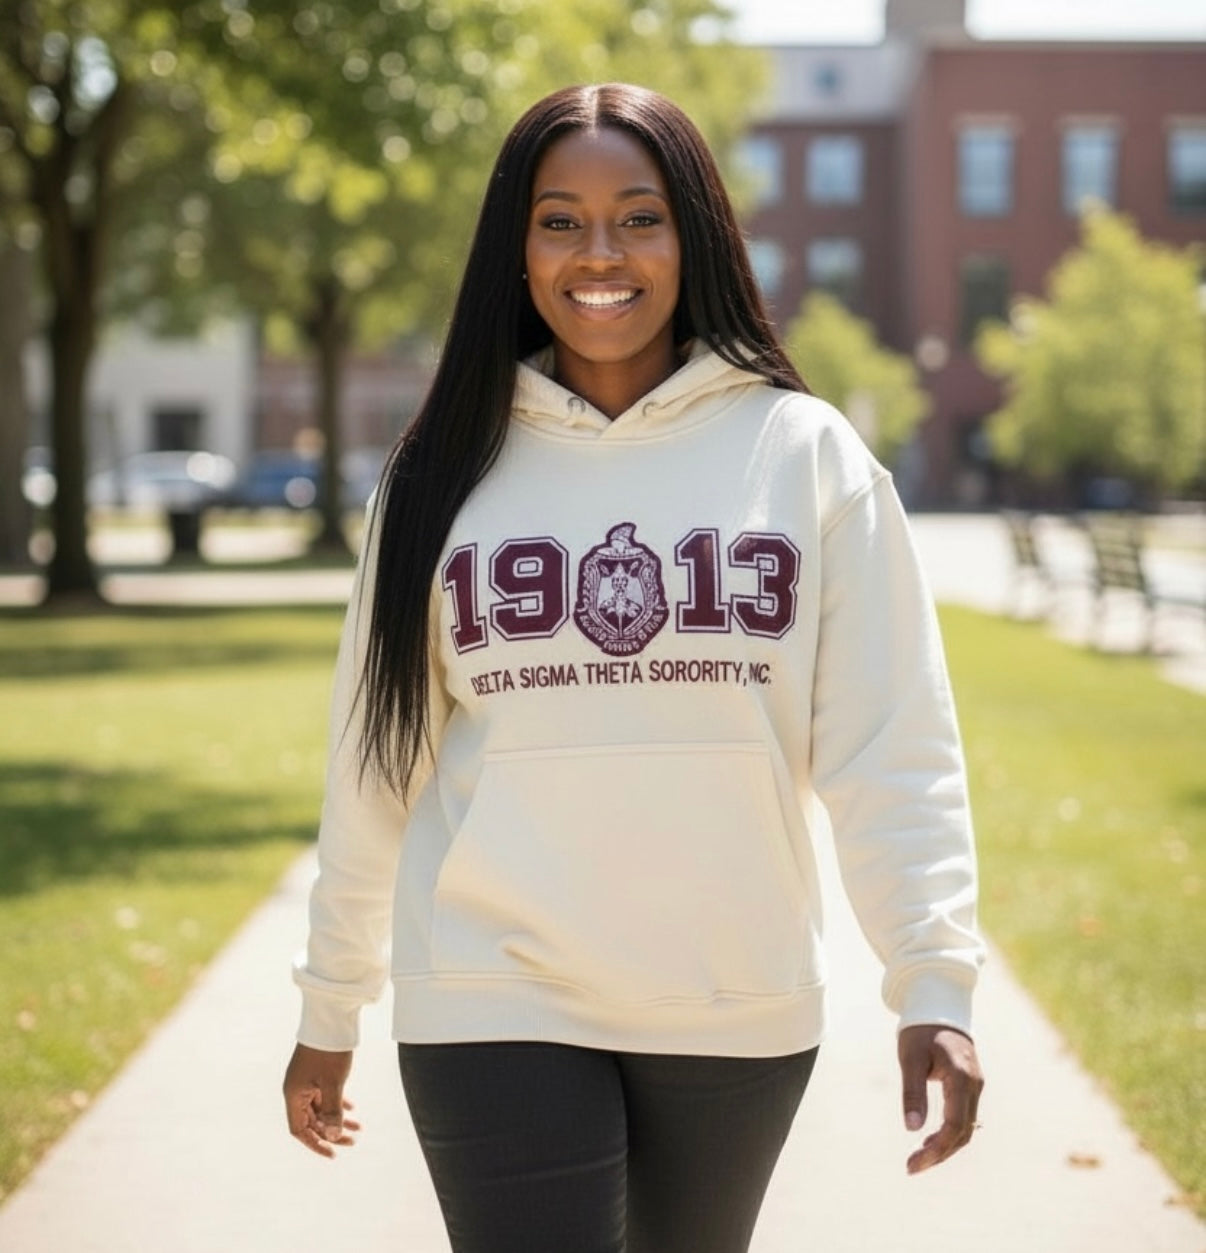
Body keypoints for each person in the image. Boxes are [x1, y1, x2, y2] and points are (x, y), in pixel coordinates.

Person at [283, 82, 985, 1253]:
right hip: (492, 991)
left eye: (638, 217)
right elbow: (377, 761)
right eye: (559, 220)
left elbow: (891, 743)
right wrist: (329, 1001)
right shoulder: (439, 472)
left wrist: (934, 979)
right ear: (517, 247)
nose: (597, 252)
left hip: (732, 1000)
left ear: (693, 236)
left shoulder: (805, 456)